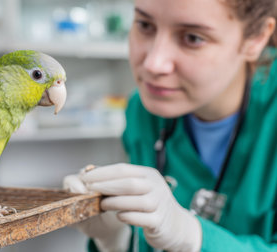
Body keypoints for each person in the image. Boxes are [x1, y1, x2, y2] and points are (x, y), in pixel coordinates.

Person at [63, 0, 277, 251]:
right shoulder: (145, 108)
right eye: (144, 24)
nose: (154, 64)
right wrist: (115, 240)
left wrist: (195, 237)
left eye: (193, 38)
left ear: (256, 38)